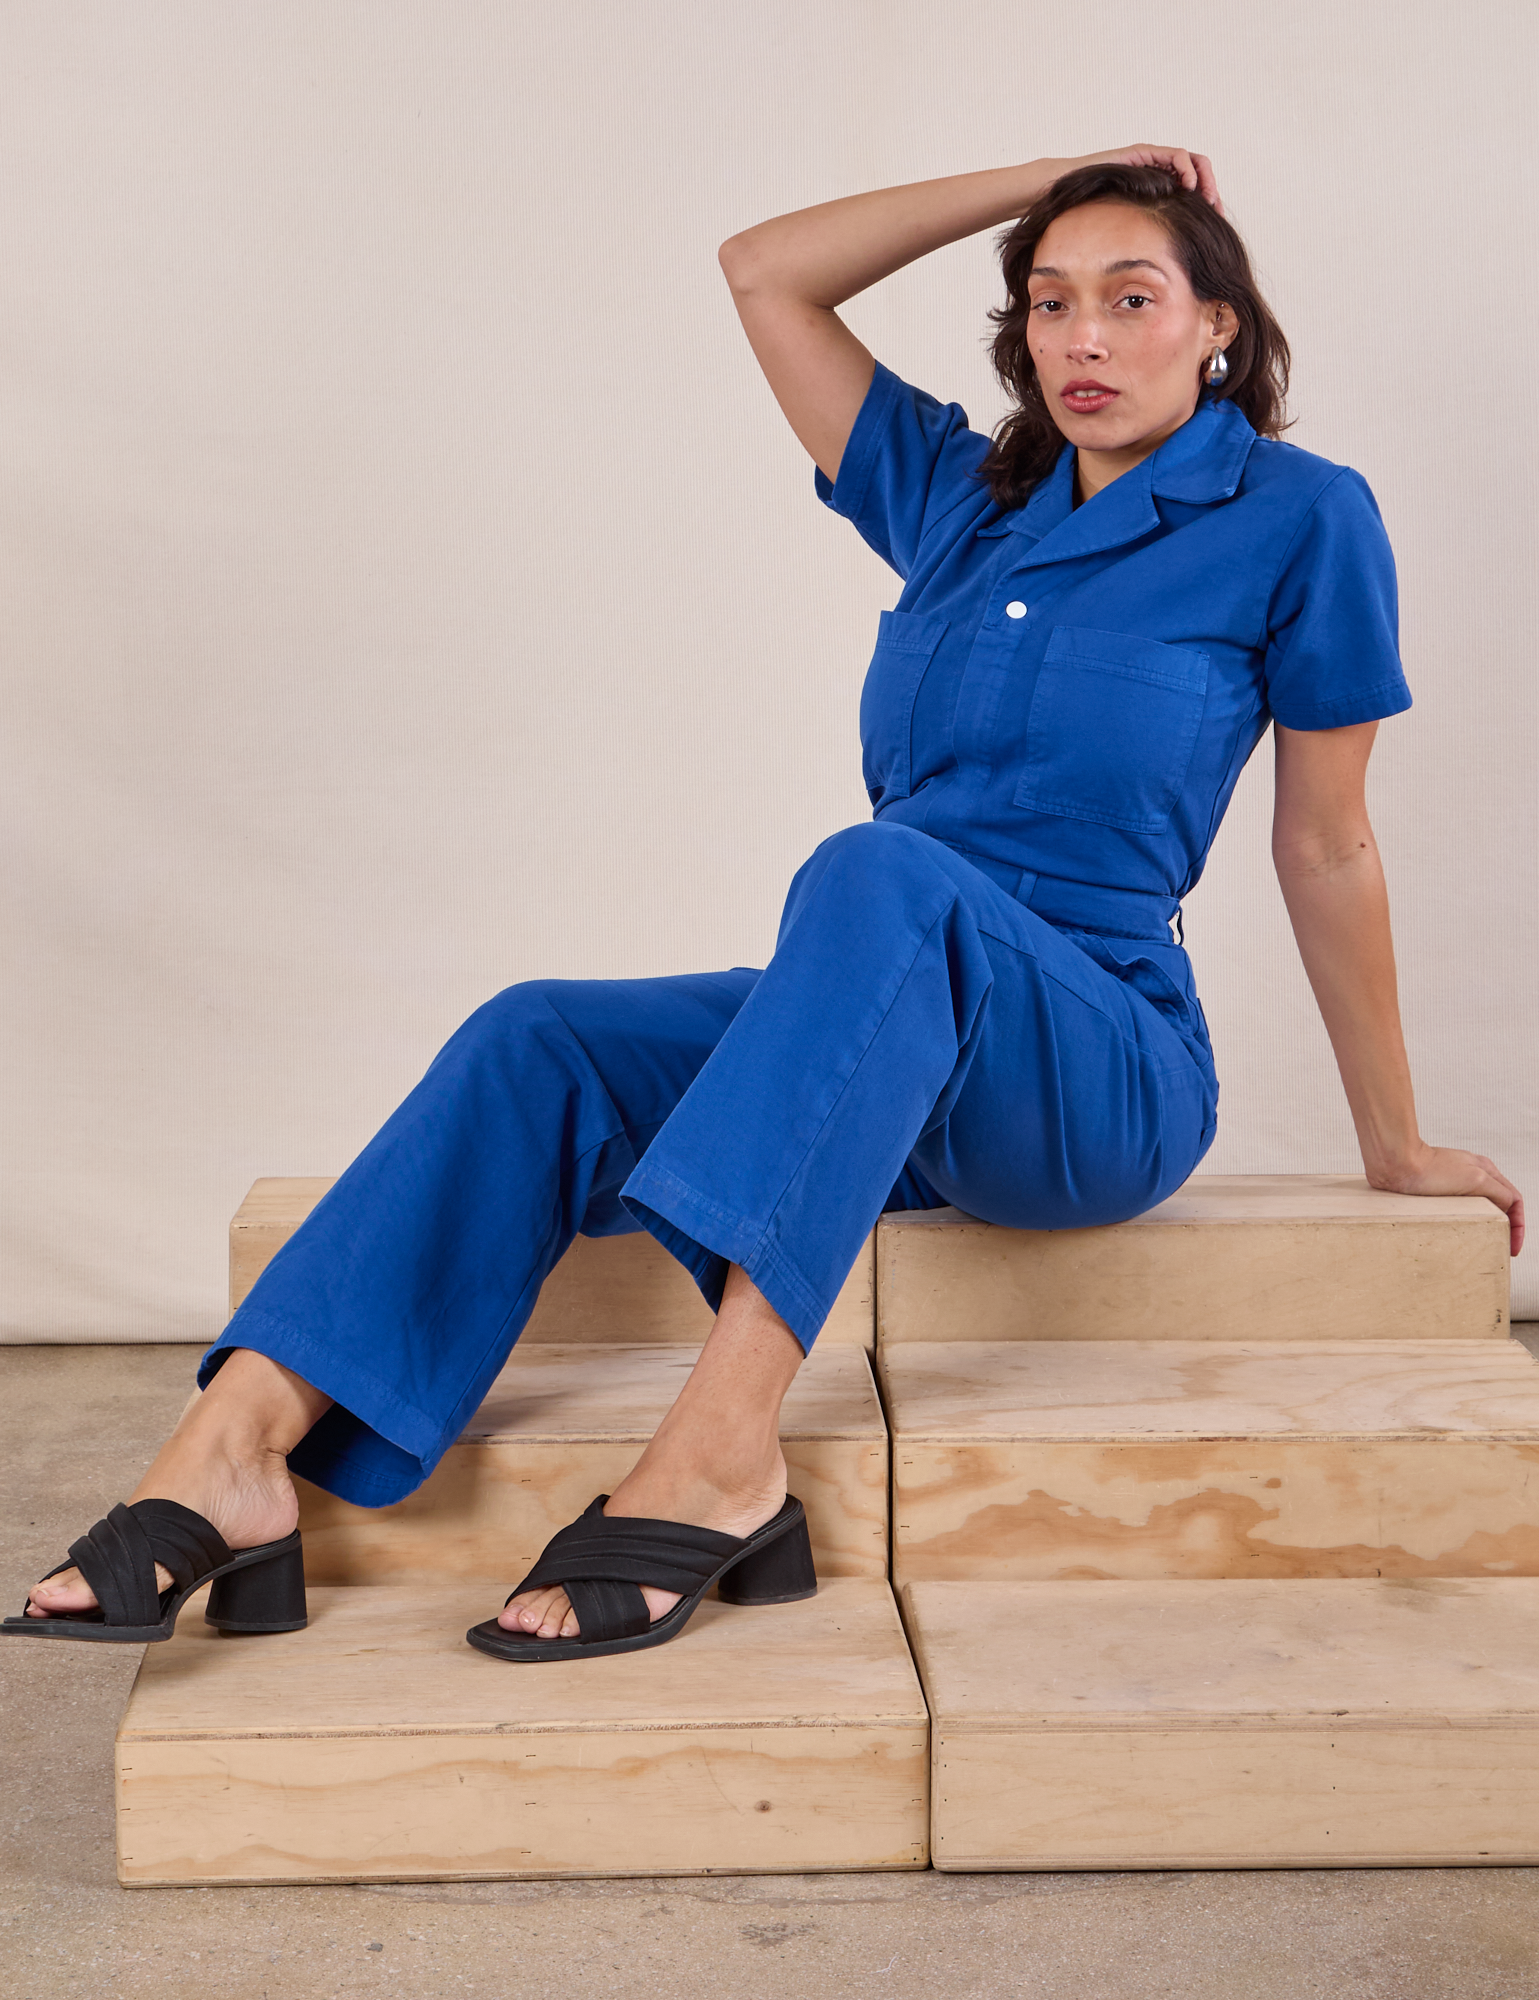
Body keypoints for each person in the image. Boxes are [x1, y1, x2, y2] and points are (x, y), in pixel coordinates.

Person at [10, 144, 1524, 1660]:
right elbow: (764, 270)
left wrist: (1388, 1142)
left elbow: (1325, 844)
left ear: (1217, 326)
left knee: (882, 872)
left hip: (1092, 1069)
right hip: (877, 1029)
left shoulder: (1298, 516)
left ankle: (725, 1452)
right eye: (1049, 302)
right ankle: (237, 1447)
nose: (1082, 337)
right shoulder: (958, 496)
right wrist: (1052, 177)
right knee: (540, 1038)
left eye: (1131, 299)